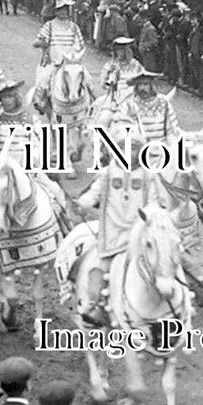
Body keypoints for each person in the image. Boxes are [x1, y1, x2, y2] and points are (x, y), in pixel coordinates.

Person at [74, 130, 166, 327]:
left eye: (133, 149)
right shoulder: (107, 173)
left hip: (141, 234)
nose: (127, 153)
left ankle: (177, 303)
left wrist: (149, 216)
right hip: (113, 234)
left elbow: (156, 202)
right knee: (99, 267)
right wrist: (84, 202)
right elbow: (94, 193)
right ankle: (94, 305)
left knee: (165, 261)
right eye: (122, 148)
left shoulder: (149, 175)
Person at [31, 7, 84, 115]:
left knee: (86, 78)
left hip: (70, 62)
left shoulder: (74, 27)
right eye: (60, 10)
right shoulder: (49, 25)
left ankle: (90, 101)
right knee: (43, 79)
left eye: (65, 10)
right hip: (54, 61)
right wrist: (41, 43)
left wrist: (73, 52)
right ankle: (41, 101)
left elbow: (80, 43)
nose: (63, 13)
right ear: (56, 12)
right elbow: (39, 40)